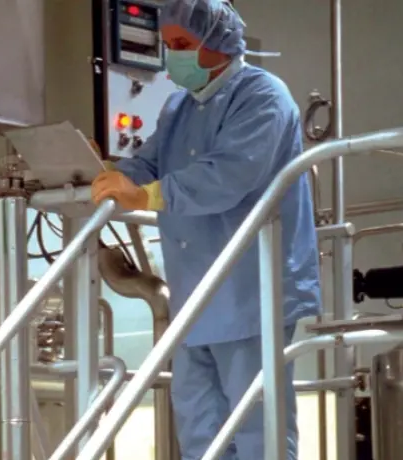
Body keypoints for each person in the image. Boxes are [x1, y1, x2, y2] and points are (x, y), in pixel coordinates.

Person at [90, 1, 322, 459]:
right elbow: (147, 163)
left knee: (258, 431)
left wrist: (148, 196)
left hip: (251, 293)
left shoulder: (263, 96)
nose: (172, 56)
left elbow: (229, 175)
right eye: (168, 44)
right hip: (194, 294)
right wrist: (104, 175)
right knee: (200, 432)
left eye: (182, 44)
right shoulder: (179, 106)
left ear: (219, 42)